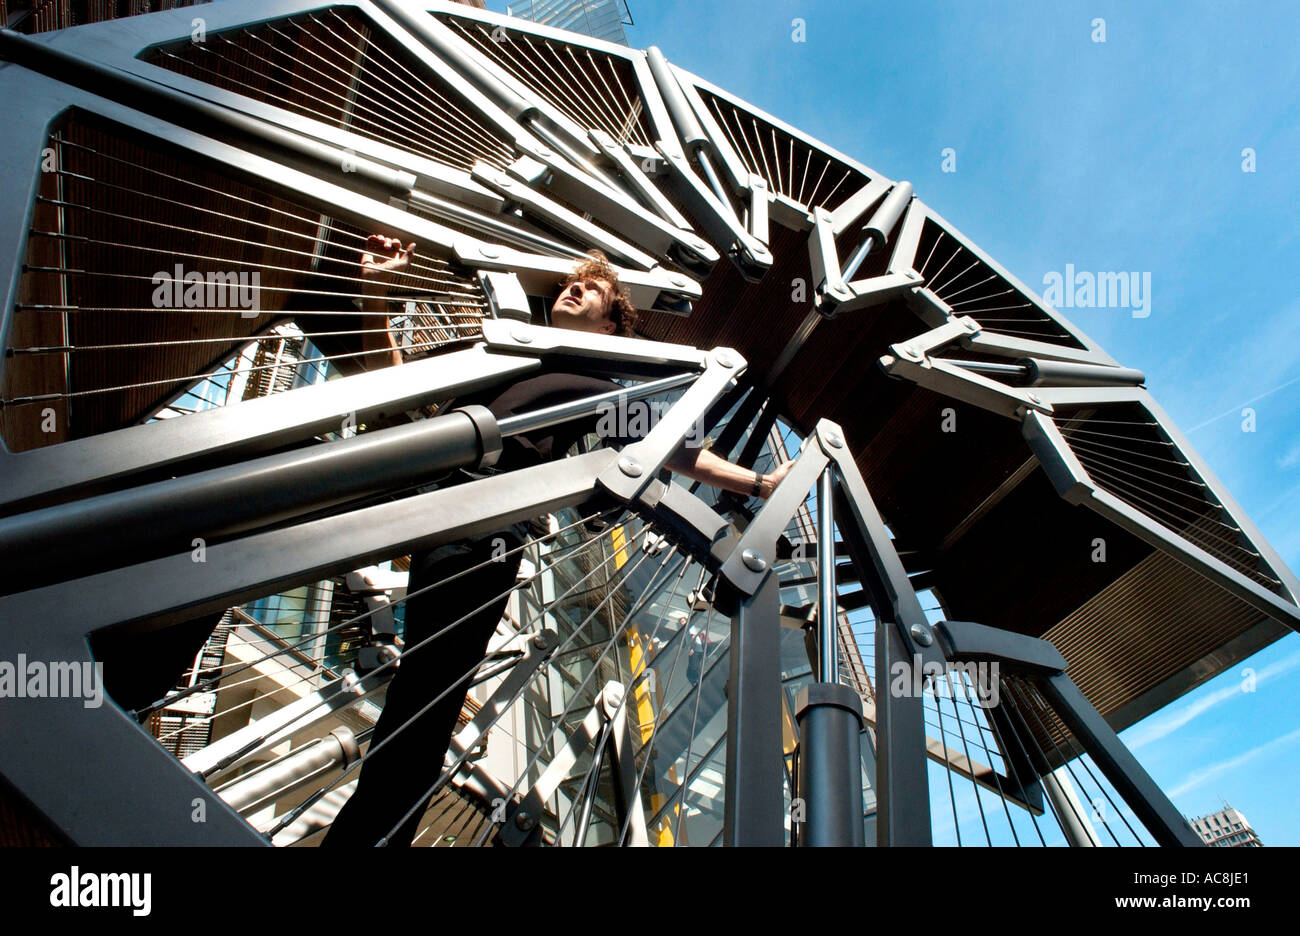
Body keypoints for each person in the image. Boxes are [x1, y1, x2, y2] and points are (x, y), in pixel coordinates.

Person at [320, 237, 794, 846]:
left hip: (484, 519)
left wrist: (758, 480)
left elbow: (678, 450)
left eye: (593, 289)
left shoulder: (595, 380)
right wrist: (375, 292)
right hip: (415, 480)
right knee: (250, 532)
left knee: (424, 705)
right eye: (573, 282)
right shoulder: (499, 348)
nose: (575, 287)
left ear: (610, 322)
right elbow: (398, 396)